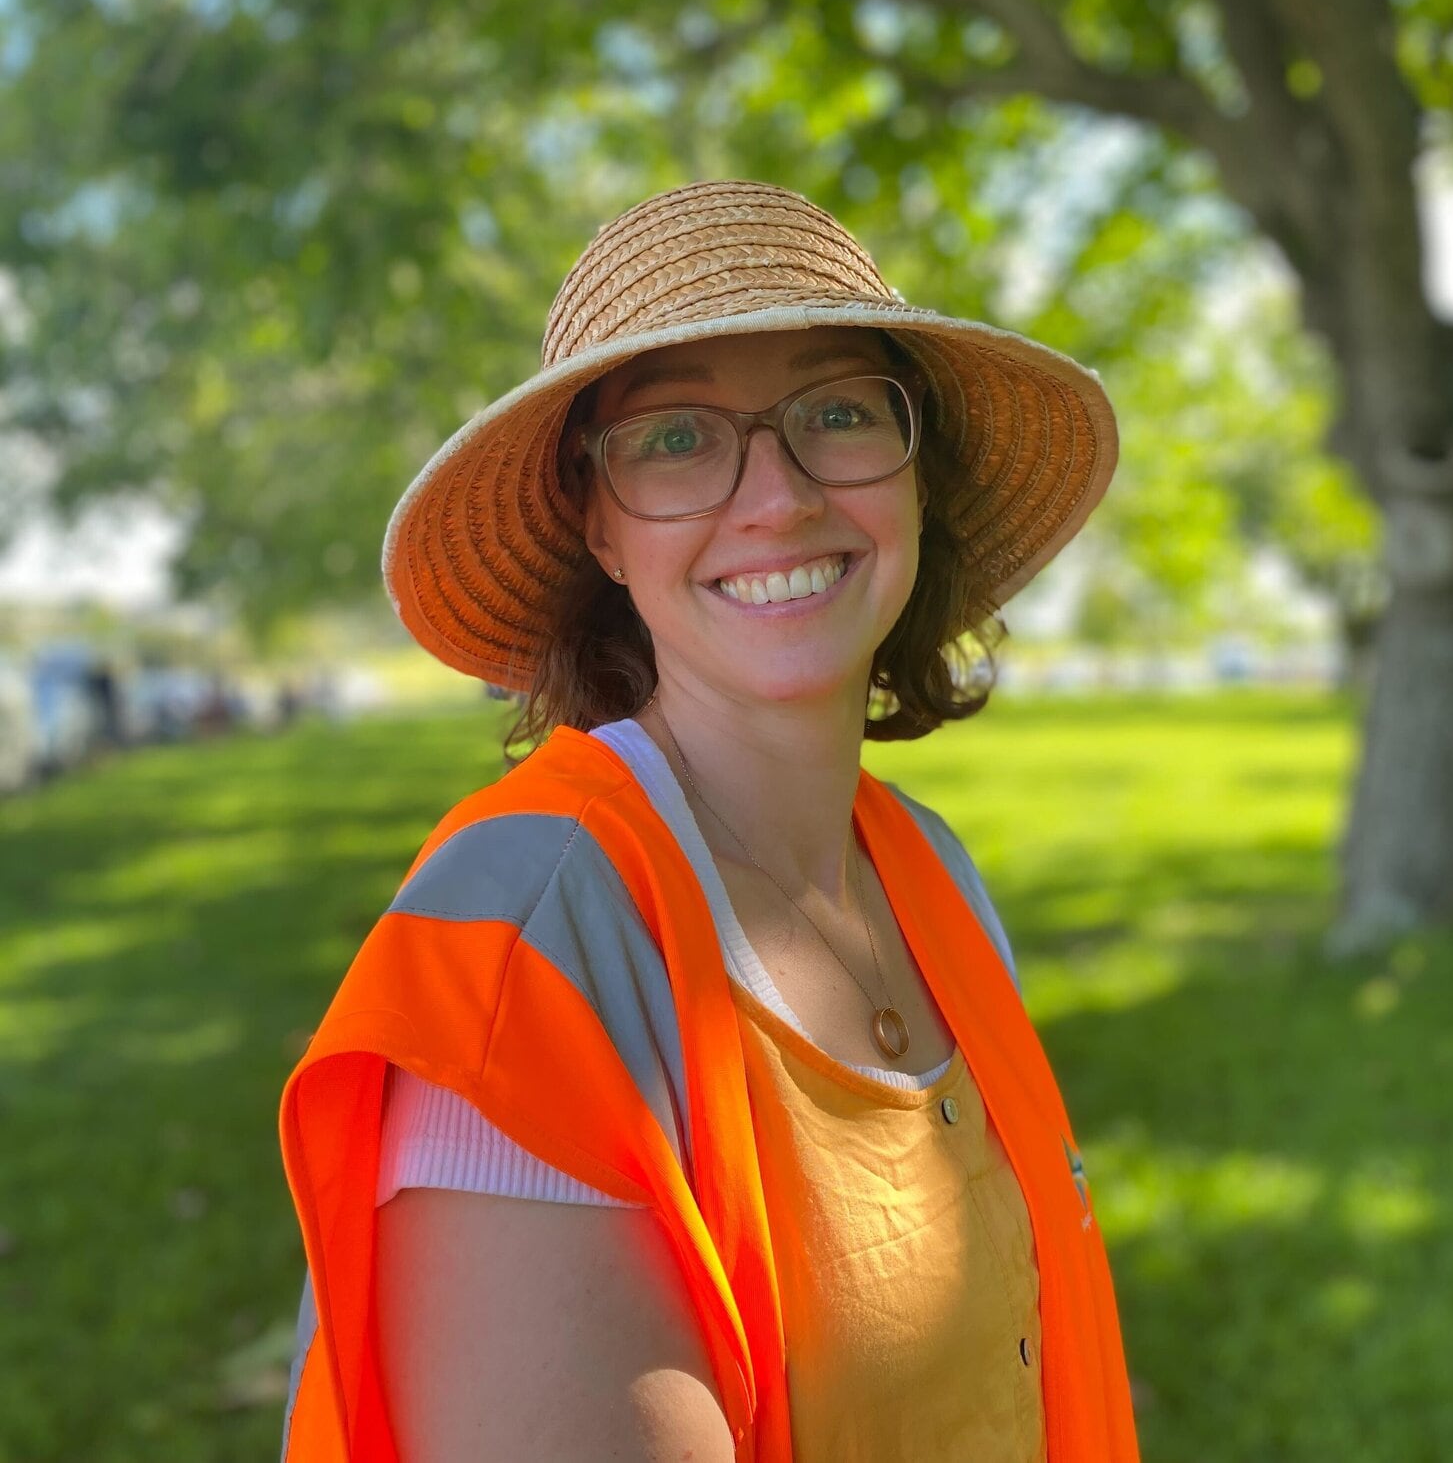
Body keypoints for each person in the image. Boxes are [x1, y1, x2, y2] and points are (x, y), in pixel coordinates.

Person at [274, 180, 1137, 1462]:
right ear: (598, 527)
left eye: (837, 412)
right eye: (675, 437)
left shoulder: (928, 868)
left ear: (913, 475)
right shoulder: (531, 931)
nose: (776, 498)